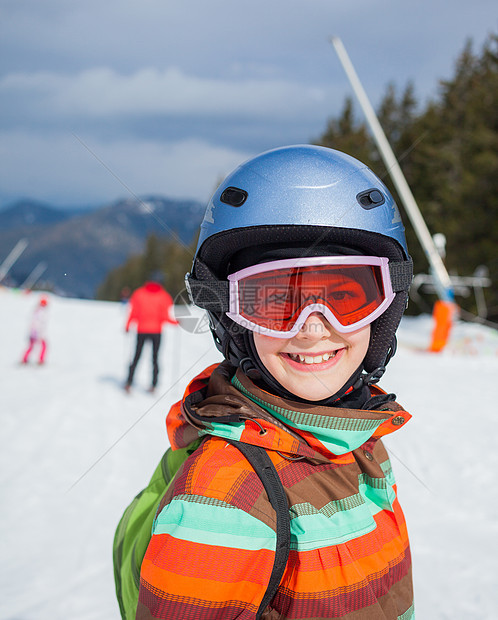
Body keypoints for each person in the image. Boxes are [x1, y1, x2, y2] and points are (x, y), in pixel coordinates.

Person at [136, 145, 415, 618]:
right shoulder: (222, 504)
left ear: (384, 311)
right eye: (273, 300)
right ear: (233, 318)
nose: (311, 326)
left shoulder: (358, 440)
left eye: (345, 297)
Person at [124, 277, 178, 393]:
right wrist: (176, 322)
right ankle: (154, 385)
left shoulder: (139, 293)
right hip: (156, 332)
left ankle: (129, 382)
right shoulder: (164, 296)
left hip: (141, 330)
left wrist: (128, 325)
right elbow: (164, 317)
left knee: (136, 356)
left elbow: (134, 313)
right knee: (155, 358)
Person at [22, 295, 49, 365]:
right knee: (43, 346)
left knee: (31, 346)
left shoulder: (37, 310)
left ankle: (25, 359)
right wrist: (38, 333)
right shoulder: (41, 312)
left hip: (34, 332)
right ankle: (40, 360)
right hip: (37, 332)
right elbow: (38, 323)